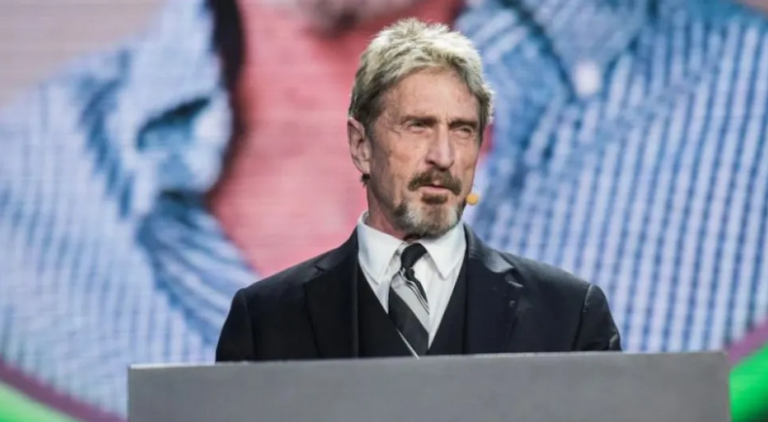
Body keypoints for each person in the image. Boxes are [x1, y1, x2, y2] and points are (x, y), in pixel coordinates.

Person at [215, 19, 622, 362]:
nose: (443, 156)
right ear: (361, 145)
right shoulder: (264, 320)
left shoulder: (570, 315)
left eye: (463, 130)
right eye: (418, 126)